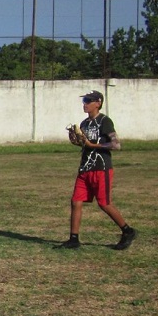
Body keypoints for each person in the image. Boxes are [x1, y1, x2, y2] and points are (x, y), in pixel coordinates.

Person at [57, 90, 138, 251]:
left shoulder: (104, 121)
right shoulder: (84, 124)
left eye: (88, 100)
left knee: (104, 203)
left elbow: (116, 144)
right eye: (84, 101)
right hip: (85, 167)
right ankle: (74, 238)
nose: (85, 104)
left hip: (101, 168)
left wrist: (94, 145)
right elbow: (85, 144)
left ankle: (128, 231)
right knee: (76, 201)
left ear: (98, 103)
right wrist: (76, 141)